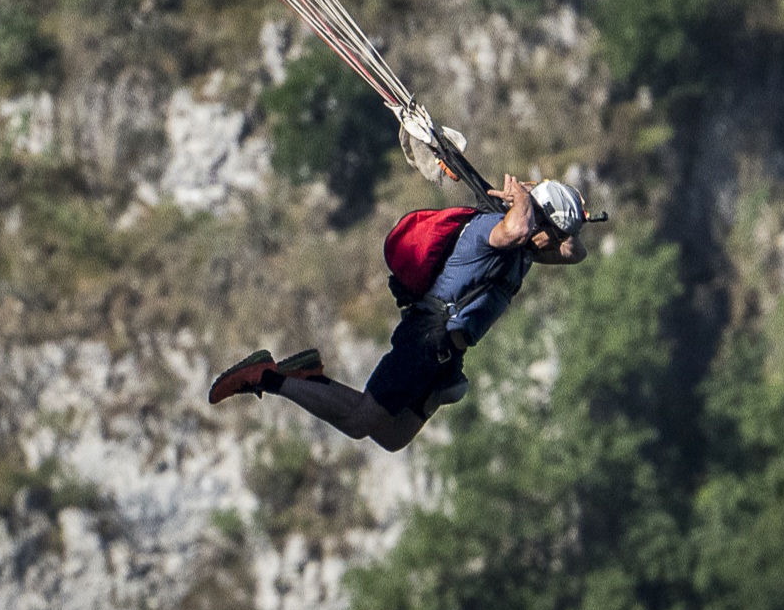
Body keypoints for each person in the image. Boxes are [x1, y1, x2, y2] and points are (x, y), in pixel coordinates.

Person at [208, 175, 590, 452]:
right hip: (428, 338)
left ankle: (309, 378)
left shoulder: (525, 252)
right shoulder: (492, 229)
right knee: (359, 422)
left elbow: (575, 252)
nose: (554, 243)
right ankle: (267, 376)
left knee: (392, 437)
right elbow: (519, 227)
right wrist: (523, 197)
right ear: (537, 219)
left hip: (447, 352)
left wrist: (564, 212)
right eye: (554, 233)